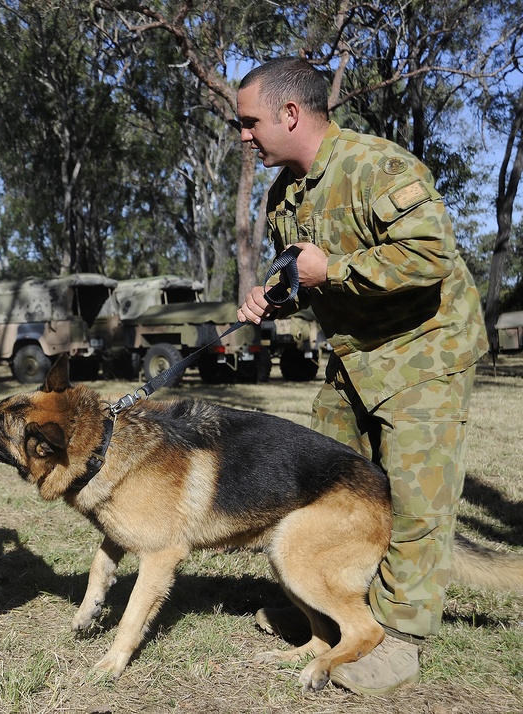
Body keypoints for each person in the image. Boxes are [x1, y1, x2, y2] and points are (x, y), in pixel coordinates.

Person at [235, 58, 488, 696]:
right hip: (354, 358)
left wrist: (334, 269)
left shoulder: (379, 166)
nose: (243, 135)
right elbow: (305, 273)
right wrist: (277, 296)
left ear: (290, 115)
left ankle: (399, 640)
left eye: (250, 122)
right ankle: (343, 618)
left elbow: (430, 255)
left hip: (425, 354)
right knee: (330, 489)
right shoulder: (284, 192)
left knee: (414, 504)